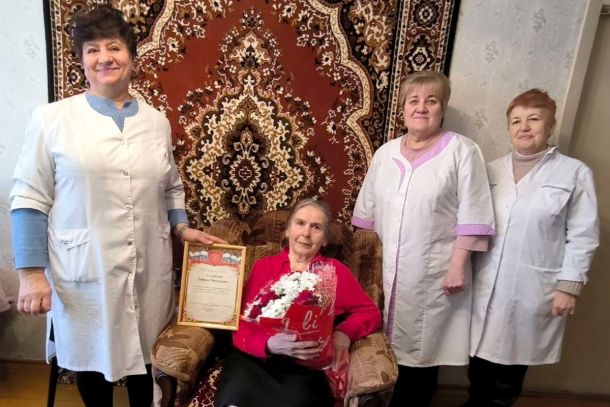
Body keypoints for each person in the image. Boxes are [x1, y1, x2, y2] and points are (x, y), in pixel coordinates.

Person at [9, 5, 225, 406]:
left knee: (148, 357)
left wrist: (180, 226)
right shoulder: (52, 120)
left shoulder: (156, 122)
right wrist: (31, 274)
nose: (104, 57)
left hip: (149, 266)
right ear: (81, 61)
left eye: (114, 47)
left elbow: (169, 186)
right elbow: (29, 198)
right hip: (83, 267)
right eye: (92, 50)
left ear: (131, 56)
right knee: (92, 357)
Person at [352, 70, 495, 406]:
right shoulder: (385, 154)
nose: (421, 107)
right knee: (379, 346)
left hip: (434, 274)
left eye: (431, 101)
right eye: (413, 100)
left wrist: (457, 265)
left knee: (421, 353)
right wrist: (364, 272)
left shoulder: (462, 151)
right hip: (385, 272)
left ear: (442, 108)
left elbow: (474, 211)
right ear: (402, 109)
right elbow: (365, 215)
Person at [465, 89, 599, 406]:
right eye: (516, 121)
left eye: (534, 119)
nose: (524, 127)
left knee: (512, 361)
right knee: (478, 359)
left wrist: (568, 287)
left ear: (550, 125)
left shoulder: (573, 173)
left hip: (533, 285)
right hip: (484, 282)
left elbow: (583, 234)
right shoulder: (490, 171)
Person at [215, 198, 381, 407]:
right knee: (236, 398)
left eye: (316, 227)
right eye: (300, 223)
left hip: (302, 367)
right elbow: (240, 321)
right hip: (254, 359)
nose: (306, 233)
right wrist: (268, 344)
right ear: (287, 230)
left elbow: (370, 312)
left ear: (325, 239)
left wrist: (344, 333)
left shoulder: (335, 271)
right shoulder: (264, 266)